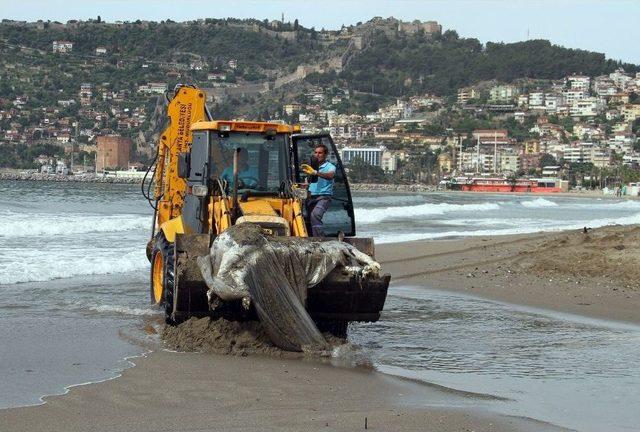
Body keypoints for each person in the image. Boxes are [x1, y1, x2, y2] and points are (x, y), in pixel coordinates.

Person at [301, 144, 336, 237]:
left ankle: (320, 239)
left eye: (320, 153)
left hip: (323, 196)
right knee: (304, 217)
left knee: (315, 215)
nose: (317, 155)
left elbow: (330, 176)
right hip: (310, 196)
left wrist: (316, 173)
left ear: (325, 154)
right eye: (316, 153)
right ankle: (308, 237)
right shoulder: (310, 167)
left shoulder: (330, 166)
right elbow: (308, 182)